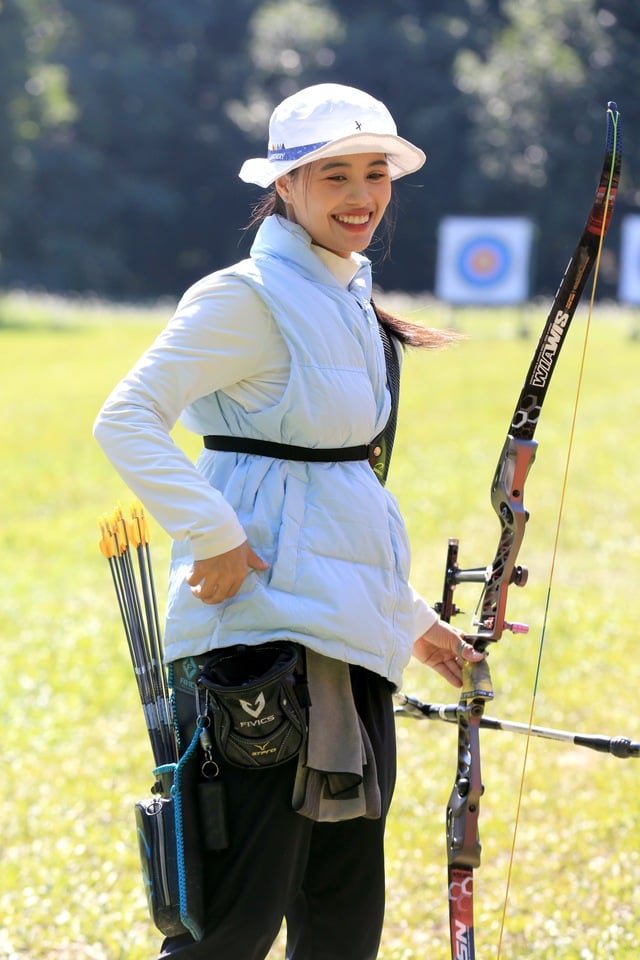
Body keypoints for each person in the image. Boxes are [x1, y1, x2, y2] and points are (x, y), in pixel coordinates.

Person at [94, 82, 483, 960]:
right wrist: (213, 531)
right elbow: (125, 417)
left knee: (343, 921)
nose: (360, 196)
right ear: (285, 188)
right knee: (232, 926)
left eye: (374, 173)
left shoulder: (346, 292)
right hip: (259, 641)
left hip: (346, 640)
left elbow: (333, 497)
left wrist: (414, 623)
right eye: (333, 175)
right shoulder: (246, 296)